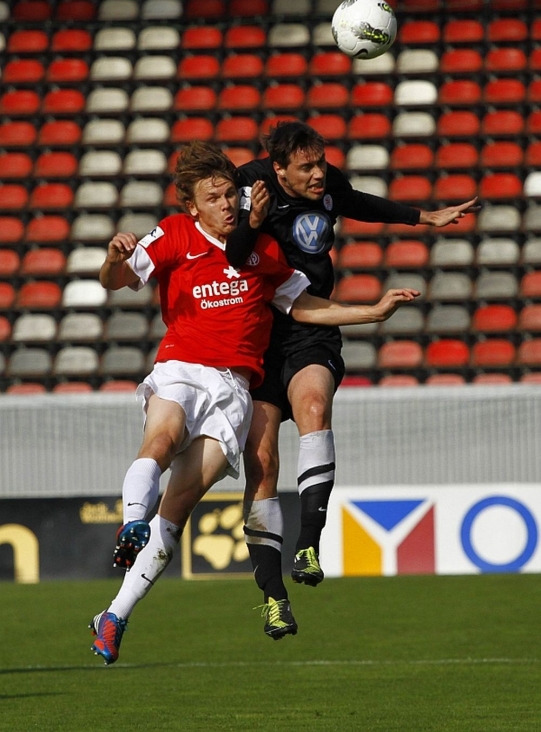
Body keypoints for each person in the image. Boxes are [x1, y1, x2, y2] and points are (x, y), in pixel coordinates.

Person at [89, 140, 419, 664]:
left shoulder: (261, 251)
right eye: (213, 198)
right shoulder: (174, 235)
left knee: (177, 509)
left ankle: (114, 616)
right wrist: (112, 259)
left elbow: (304, 306)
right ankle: (132, 520)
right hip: (181, 367)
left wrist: (372, 313)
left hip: (234, 390)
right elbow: (117, 281)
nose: (226, 204)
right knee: (162, 438)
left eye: (229, 195)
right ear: (192, 206)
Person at [224, 121, 479, 619]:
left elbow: (358, 202)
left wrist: (424, 218)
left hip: (312, 325)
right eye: (306, 167)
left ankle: (309, 545)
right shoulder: (249, 184)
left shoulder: (328, 183)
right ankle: (274, 597)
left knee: (314, 406)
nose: (319, 174)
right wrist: (251, 221)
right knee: (263, 462)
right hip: (255, 334)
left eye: (321, 162)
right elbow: (233, 253)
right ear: (279, 169)